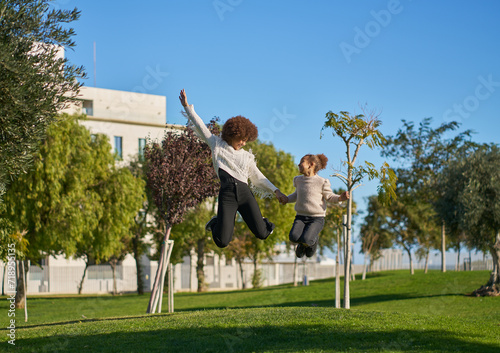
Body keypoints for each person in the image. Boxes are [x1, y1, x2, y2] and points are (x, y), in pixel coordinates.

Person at [179, 89, 288, 248]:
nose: (243, 143)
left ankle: (260, 220)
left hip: (245, 194)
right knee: (222, 241)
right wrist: (187, 107)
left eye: (246, 140)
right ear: (232, 134)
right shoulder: (217, 145)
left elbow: (258, 177)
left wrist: (276, 191)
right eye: (241, 139)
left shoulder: (246, 156)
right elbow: (201, 126)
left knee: (263, 233)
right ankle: (216, 222)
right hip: (227, 194)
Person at [283, 153, 349, 258]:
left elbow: (329, 197)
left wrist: (340, 198)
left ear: (311, 165)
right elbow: (296, 195)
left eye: (302, 162)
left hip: (316, 219)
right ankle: (303, 243)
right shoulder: (298, 180)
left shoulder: (322, 182)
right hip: (300, 217)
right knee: (293, 237)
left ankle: (312, 241)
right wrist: (287, 199)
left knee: (307, 245)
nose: (298, 164)